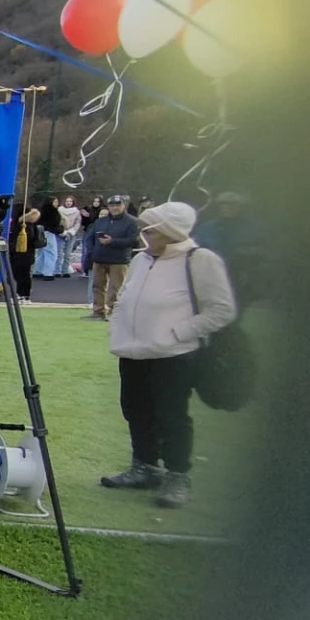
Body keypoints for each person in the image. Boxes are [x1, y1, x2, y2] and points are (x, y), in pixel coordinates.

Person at [101, 202, 238, 508]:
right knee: (135, 409)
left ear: (170, 231)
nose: (144, 234)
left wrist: (180, 332)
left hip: (173, 356)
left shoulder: (200, 260)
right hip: (133, 352)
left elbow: (222, 309)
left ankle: (178, 475)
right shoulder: (140, 260)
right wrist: (119, 327)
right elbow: (126, 296)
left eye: (151, 229)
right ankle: (144, 466)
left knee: (172, 415)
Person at [193, 191, 263, 306]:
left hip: (241, 275)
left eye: (231, 204)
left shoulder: (254, 228)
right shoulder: (208, 228)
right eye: (222, 204)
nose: (225, 208)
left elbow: (264, 250)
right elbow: (194, 247)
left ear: (240, 207)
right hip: (211, 275)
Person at [84, 194, 142, 320]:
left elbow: (133, 241)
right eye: (112, 205)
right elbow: (91, 237)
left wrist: (113, 241)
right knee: (97, 287)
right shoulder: (101, 221)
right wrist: (92, 251)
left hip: (119, 259)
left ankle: (113, 313)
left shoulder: (132, 222)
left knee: (116, 288)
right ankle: (98, 312)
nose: (115, 208)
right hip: (99, 258)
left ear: (124, 206)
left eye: (118, 205)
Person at [58, 195, 85, 275]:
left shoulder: (76, 212)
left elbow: (77, 223)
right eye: (67, 201)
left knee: (68, 253)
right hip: (60, 233)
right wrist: (63, 232)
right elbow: (57, 221)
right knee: (58, 253)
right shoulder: (59, 210)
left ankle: (65, 270)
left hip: (71, 234)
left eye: (70, 201)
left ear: (73, 202)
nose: (68, 203)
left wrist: (70, 232)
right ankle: (57, 270)